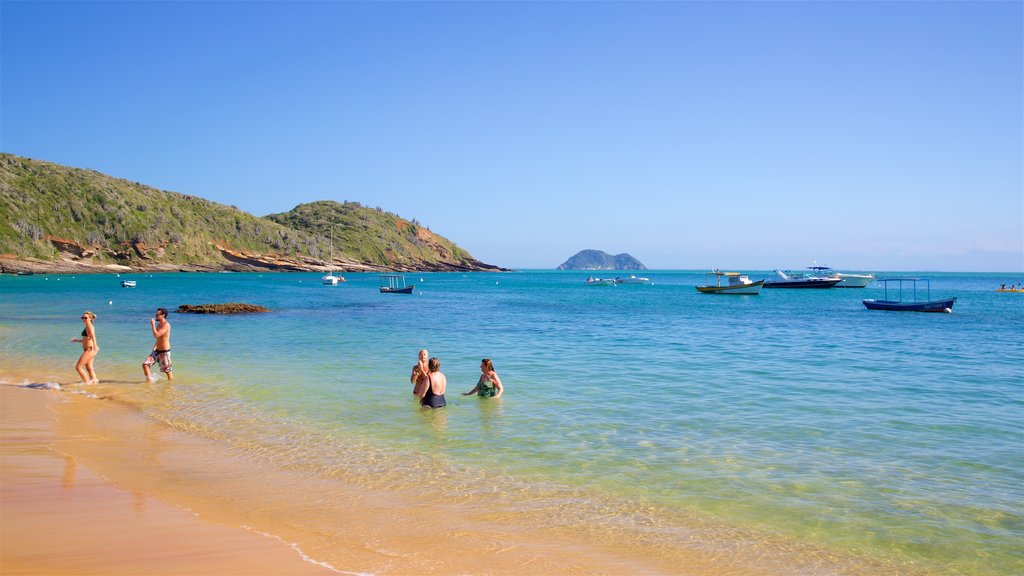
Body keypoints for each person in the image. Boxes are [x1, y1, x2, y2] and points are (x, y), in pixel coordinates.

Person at [143, 308, 173, 381]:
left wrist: (153, 324)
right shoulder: (159, 324)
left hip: (164, 351)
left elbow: (156, 335)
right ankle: (149, 382)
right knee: (145, 365)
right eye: (156, 314)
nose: (156, 315)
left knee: (167, 371)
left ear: (163, 315)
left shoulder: (166, 325)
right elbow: (158, 338)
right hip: (156, 351)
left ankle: (170, 387)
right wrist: (154, 348)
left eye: (158, 314)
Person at [71, 311, 99, 384]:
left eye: (85, 318)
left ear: (90, 319)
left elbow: (93, 337)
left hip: (90, 349)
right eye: (82, 318)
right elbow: (86, 339)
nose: (83, 319)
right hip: (88, 349)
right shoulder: (87, 326)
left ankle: (87, 383)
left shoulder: (90, 327)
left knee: (78, 367)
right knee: (89, 368)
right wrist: (77, 340)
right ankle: (94, 383)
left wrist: (95, 347)